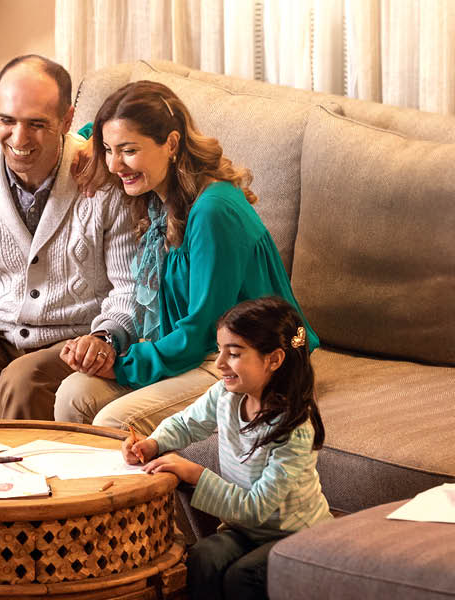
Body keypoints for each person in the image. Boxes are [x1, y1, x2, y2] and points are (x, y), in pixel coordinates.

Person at [55, 80, 318, 433]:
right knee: (72, 394)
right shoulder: (158, 191)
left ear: (172, 143)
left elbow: (203, 329)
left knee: (115, 420)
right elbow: (97, 130)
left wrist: (122, 364)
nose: (115, 165)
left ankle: (142, 489)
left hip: (246, 359)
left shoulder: (212, 211)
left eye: (128, 150)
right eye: (108, 149)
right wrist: (92, 140)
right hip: (200, 350)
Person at [0, 54, 138, 422]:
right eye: (7, 120)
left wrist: (105, 337)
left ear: (67, 120)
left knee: (23, 380)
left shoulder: (103, 179)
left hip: (75, 342)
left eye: (36, 124)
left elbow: (131, 287)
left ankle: (22, 479)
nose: (18, 138)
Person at [124, 296, 330, 600]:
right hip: (245, 530)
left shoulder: (294, 429)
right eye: (220, 351)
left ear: (273, 359)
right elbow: (186, 423)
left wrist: (196, 474)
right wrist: (152, 443)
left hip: (299, 536)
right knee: (202, 557)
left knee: (242, 576)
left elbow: (257, 508)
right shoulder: (225, 394)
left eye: (233, 353)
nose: (219, 363)